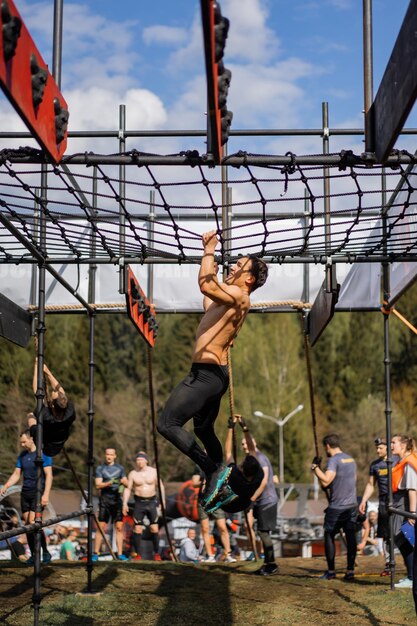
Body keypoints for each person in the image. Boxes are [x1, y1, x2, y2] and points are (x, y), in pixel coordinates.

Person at [157, 230, 268, 508]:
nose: (233, 266)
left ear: (249, 278)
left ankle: (214, 470)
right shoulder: (229, 299)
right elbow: (209, 299)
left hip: (206, 376)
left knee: (167, 424)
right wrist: (208, 266)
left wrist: (209, 250)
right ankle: (223, 487)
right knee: (204, 430)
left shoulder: (241, 296)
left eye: (239, 265)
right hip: (213, 375)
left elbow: (207, 288)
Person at [0, 429, 53, 565]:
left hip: (38, 492)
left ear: (31, 439)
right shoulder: (22, 456)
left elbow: (49, 475)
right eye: (21, 442)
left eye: (24, 441)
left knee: (35, 523)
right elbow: (17, 474)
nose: (22, 444)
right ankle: (34, 555)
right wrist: (6, 486)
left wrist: (46, 494)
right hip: (26, 492)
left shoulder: (43, 455)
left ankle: (45, 551)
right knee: (27, 524)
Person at [311, 433, 357, 581]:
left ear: (327, 446)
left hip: (337, 507)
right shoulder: (350, 459)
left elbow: (326, 480)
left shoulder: (334, 460)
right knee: (351, 537)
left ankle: (331, 571)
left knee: (329, 535)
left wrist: (315, 468)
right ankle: (350, 571)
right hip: (351, 505)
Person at [241, 432, 279, 576]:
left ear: (253, 443)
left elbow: (264, 481)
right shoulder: (251, 459)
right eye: (242, 444)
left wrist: (252, 499)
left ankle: (272, 564)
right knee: (262, 532)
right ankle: (268, 563)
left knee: (263, 532)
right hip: (260, 501)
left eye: (246, 443)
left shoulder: (260, 459)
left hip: (267, 500)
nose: (244, 446)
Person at [359, 437, 397, 575]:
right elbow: (370, 484)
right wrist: (363, 500)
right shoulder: (375, 465)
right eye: (376, 448)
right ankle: (389, 564)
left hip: (398, 502)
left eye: (380, 447)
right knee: (386, 535)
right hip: (383, 504)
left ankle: (410, 566)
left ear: (388, 447)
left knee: (402, 534)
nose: (377, 450)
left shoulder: (397, 461)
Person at [28, 358, 76, 456]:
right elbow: (61, 391)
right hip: (60, 441)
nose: (54, 391)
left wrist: (36, 367)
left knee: (30, 416)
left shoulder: (46, 416)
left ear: (53, 405)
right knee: (42, 405)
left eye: (54, 393)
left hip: (45, 445)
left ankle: (33, 444)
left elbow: (37, 392)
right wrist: (47, 371)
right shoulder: (69, 412)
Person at [122, 451, 164, 561]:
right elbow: (128, 489)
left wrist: (162, 501)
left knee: (154, 528)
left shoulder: (154, 472)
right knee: (137, 528)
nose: (139, 462)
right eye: (137, 460)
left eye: (141, 460)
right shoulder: (133, 473)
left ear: (146, 460)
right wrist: (124, 503)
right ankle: (138, 554)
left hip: (151, 502)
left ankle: (156, 553)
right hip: (139, 502)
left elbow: (160, 486)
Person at [191, 467, 236, 563]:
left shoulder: (218, 464)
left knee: (222, 527)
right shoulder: (199, 467)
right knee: (205, 529)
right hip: (202, 501)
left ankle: (228, 554)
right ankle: (210, 556)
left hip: (216, 501)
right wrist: (204, 482)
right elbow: (194, 483)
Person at [390, 434, 417, 589]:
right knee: (400, 538)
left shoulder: (408, 462)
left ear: (403, 445)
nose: (391, 445)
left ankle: (412, 578)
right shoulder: (401, 461)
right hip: (401, 500)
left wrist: (411, 514)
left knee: (403, 537)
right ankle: (411, 576)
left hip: (405, 503)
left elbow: (412, 490)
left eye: (394, 442)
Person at [93, 447, 129, 562]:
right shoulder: (100, 468)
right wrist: (109, 482)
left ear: (115, 456)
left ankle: (120, 554)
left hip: (117, 500)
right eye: (107, 454)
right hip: (104, 500)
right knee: (101, 527)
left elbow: (127, 484)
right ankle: (96, 553)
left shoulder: (120, 468)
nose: (109, 456)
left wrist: (124, 482)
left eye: (111, 454)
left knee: (119, 528)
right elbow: (98, 485)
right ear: (105, 455)